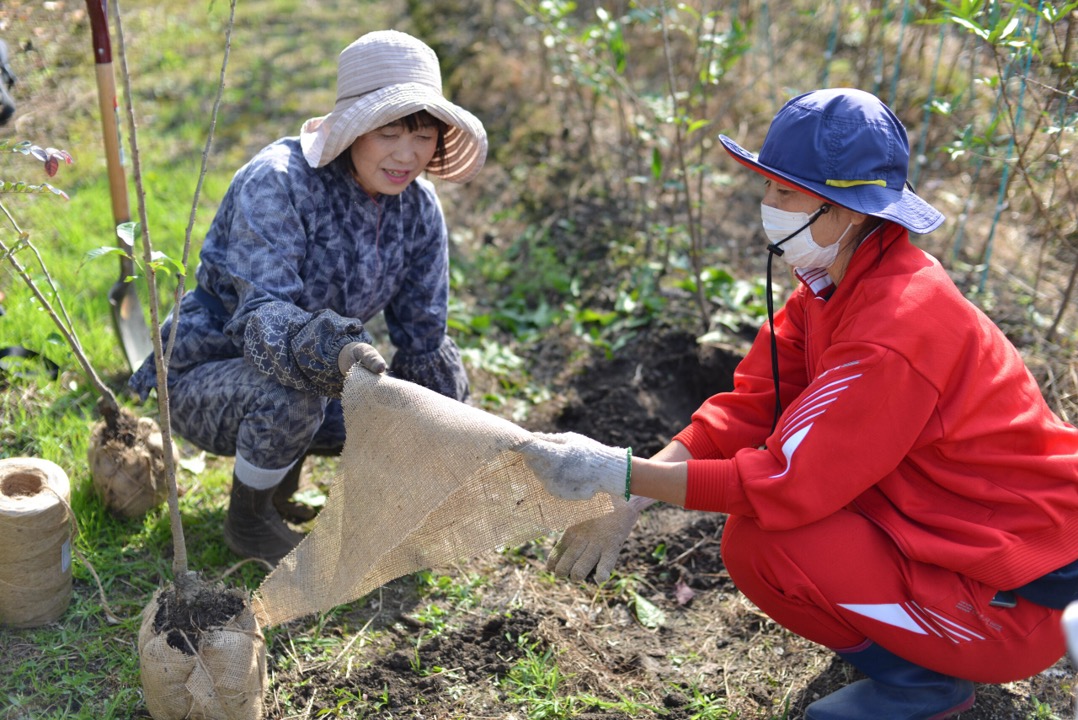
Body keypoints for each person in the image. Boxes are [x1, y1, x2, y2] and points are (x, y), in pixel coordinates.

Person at [517, 88, 1078, 719]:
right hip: (945, 533)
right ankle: (907, 652)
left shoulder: (896, 328)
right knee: (759, 543)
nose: (767, 207)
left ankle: (925, 681)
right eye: (768, 188)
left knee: (772, 540)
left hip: (1019, 595)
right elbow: (752, 402)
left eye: (785, 193)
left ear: (846, 209)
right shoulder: (833, 287)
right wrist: (632, 493)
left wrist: (622, 475)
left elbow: (787, 483)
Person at [130, 30, 487, 564]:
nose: (406, 155)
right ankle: (249, 522)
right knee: (297, 393)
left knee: (405, 401)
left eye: (424, 137)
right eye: (389, 133)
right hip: (206, 370)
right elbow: (263, 318)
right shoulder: (278, 183)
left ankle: (278, 481)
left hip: (316, 372)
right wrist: (339, 353)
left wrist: (437, 435)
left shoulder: (417, 207)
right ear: (354, 129)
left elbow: (424, 339)